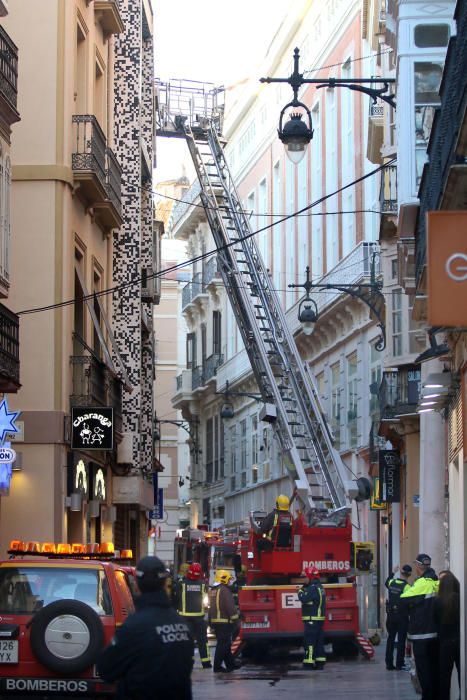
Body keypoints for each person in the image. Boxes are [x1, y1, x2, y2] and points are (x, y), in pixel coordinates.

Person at [97, 556, 194, 700]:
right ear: (163, 583)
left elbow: (106, 669)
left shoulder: (134, 627)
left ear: (136, 584)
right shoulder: (181, 624)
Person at [400, 553, 439, 700]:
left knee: (423, 669)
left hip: (420, 634)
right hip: (435, 634)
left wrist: (412, 604)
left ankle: (427, 696)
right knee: (434, 667)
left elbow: (403, 600)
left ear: (418, 566)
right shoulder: (436, 582)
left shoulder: (421, 583)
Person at [173, 562, 212, 668]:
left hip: (184, 618)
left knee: (187, 641)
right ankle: (206, 662)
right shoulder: (203, 584)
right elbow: (206, 601)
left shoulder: (181, 583)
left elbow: (176, 599)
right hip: (199, 618)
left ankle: (188, 662)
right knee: (202, 641)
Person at [434, 570, 460, 699]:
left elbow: (434, 622)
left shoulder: (437, 601)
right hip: (460, 642)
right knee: (462, 674)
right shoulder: (460, 599)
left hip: (444, 642)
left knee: (444, 676)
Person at [208, 569, 240, 673]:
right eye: (228, 579)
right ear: (223, 579)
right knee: (223, 644)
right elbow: (230, 607)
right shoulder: (225, 590)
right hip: (224, 622)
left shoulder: (213, 589)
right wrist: (236, 619)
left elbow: (210, 607)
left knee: (225, 644)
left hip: (216, 621)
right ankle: (217, 667)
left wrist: (210, 622)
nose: (230, 581)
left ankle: (231, 665)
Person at [298, 565, 326, 670]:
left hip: (311, 620)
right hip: (318, 620)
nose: (303, 579)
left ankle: (308, 663)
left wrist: (300, 591)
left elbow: (304, 598)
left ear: (310, 576)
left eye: (305, 577)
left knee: (309, 642)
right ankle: (320, 663)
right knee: (319, 642)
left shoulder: (312, 588)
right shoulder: (320, 587)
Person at [384, 564, 412, 670]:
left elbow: (386, 582)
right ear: (409, 574)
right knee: (401, 641)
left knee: (390, 639)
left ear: (401, 572)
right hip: (402, 616)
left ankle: (389, 664)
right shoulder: (407, 587)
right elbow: (410, 602)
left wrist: (392, 572)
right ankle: (400, 664)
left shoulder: (392, 582)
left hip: (391, 616)